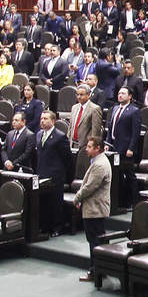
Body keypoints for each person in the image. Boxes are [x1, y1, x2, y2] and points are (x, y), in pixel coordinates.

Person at [75, 138, 113, 283]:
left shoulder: (99, 165)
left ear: (98, 148)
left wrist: (77, 198)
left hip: (95, 209)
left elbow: (89, 187)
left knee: (95, 242)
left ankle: (95, 271)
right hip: (94, 207)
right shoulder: (98, 161)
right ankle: (100, 270)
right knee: (97, 240)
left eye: (90, 147)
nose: (86, 149)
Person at [34, 110, 72, 237]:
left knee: (55, 202)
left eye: (45, 119)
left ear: (53, 121)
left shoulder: (60, 136)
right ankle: (45, 226)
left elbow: (67, 158)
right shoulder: (39, 134)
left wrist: (60, 172)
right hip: (42, 173)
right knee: (43, 201)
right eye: (41, 119)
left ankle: (57, 227)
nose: (42, 121)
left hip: (55, 175)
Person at [67, 84, 103, 152]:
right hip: (72, 143)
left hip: (85, 145)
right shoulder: (74, 107)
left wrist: (91, 146)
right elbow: (70, 127)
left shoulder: (95, 109)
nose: (79, 97)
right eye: (77, 94)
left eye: (81, 94)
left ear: (88, 95)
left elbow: (96, 131)